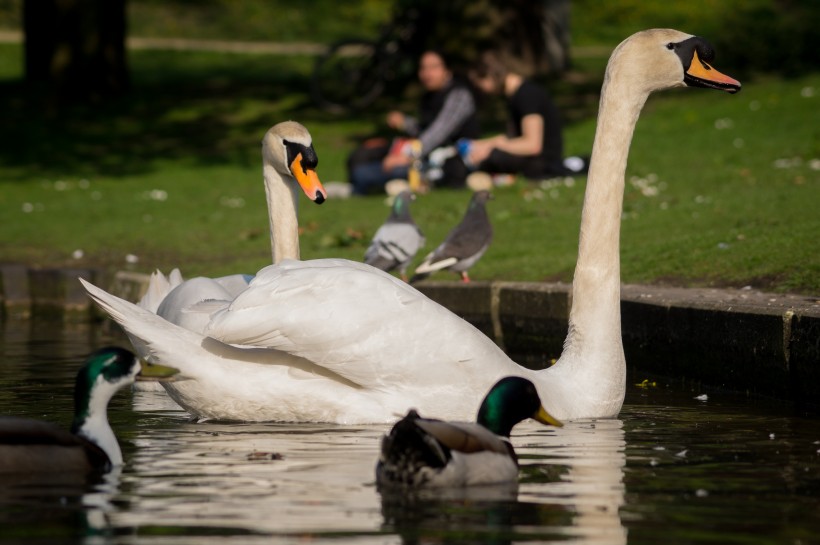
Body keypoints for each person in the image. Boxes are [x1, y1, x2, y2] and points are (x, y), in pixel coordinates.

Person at [348, 50, 480, 195]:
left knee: (363, 174)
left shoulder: (459, 95)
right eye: (423, 68)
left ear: (447, 70)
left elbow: (439, 133)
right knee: (359, 157)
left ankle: (360, 191)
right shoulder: (429, 96)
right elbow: (424, 130)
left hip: (447, 162)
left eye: (434, 67)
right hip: (423, 156)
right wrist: (405, 122)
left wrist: (407, 155)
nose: (427, 73)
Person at [465, 51, 585, 181]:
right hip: (533, 158)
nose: (480, 89)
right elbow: (513, 138)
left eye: (479, 83)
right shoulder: (515, 96)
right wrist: (482, 144)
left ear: (490, 75)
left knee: (493, 157)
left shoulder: (526, 95)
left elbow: (532, 145)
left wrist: (492, 148)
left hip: (542, 161)